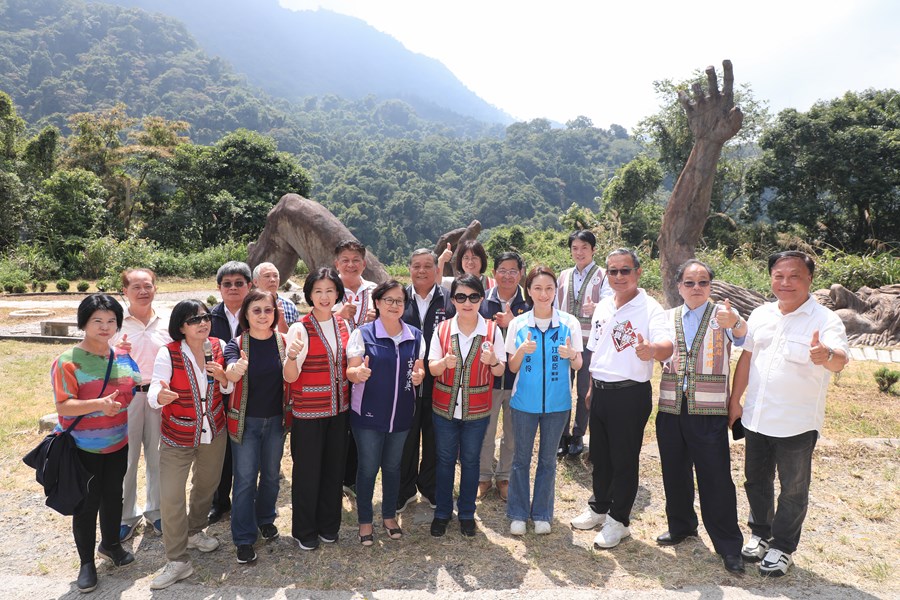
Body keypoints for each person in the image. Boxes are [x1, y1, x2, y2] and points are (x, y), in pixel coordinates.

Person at [730, 250, 849, 577]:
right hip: (755, 417)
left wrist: (825, 354)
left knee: (793, 489)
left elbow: (840, 360)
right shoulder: (760, 314)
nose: (786, 283)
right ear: (771, 278)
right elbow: (746, 360)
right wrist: (734, 401)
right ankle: (760, 534)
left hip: (797, 423)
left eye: (794, 276)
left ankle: (783, 547)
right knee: (756, 481)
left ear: (809, 279)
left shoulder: (825, 320)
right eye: (779, 276)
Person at [570, 248, 673, 549]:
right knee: (599, 456)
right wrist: (590, 386)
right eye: (612, 271)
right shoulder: (604, 305)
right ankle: (599, 506)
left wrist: (652, 350)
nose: (618, 276)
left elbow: (666, 345)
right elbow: (596, 350)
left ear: (638, 273)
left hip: (629, 394)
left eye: (624, 270)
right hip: (600, 390)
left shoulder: (650, 308)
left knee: (624, 460)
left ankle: (619, 521)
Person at [655, 259, 748, 574]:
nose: (696, 288)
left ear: (711, 286)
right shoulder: (667, 317)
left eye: (703, 282)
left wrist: (734, 321)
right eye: (690, 283)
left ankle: (728, 546)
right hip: (670, 406)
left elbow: (744, 337)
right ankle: (681, 526)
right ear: (678, 286)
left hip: (708, 410)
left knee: (716, 478)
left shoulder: (722, 317)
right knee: (674, 471)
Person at [50, 294, 140, 593]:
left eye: (111, 321)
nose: (105, 327)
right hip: (82, 448)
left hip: (118, 442)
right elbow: (63, 406)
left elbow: (131, 389)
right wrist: (99, 403)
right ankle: (86, 563)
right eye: (97, 321)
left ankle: (111, 544)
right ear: (84, 323)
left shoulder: (119, 356)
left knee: (114, 497)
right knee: (86, 505)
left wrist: (127, 395)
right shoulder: (67, 361)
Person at [147, 300, 233, 590]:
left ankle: (195, 532)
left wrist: (224, 378)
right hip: (177, 435)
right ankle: (177, 560)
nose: (202, 323)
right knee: (171, 495)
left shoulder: (219, 346)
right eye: (194, 319)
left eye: (206, 317)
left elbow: (228, 387)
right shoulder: (168, 352)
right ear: (181, 326)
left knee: (207, 486)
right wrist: (160, 396)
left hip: (214, 431)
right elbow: (156, 387)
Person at [505, 267, 583, 535]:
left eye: (549, 288)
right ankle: (517, 513)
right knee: (521, 459)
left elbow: (579, 362)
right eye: (537, 288)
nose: (543, 294)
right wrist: (521, 351)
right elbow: (511, 368)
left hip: (558, 404)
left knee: (548, 461)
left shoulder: (568, 323)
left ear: (555, 291)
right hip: (523, 404)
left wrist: (572, 354)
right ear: (529, 291)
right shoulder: (517, 324)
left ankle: (542, 514)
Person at [346, 280, 425, 545]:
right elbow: (351, 370)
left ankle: (389, 516)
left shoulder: (414, 335)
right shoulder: (363, 334)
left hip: (402, 414)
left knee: (393, 467)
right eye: (388, 300)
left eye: (399, 301)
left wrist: (418, 377)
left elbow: (420, 368)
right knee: (368, 468)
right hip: (368, 415)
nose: (394, 305)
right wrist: (358, 373)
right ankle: (365, 520)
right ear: (377, 303)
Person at [428, 274, 506, 537]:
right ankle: (441, 512)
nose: (467, 302)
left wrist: (494, 360)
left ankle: (466, 513)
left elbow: (499, 370)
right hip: (444, 408)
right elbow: (432, 366)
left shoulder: (492, 330)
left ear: (481, 299)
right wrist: (443, 365)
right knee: (445, 460)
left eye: (473, 297)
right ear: (453, 300)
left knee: (471, 461)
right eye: (461, 297)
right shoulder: (442, 329)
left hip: (477, 410)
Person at [284, 268, 351, 551]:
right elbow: (289, 376)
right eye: (318, 291)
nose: (324, 297)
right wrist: (289, 356)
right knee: (308, 473)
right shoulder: (300, 328)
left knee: (334, 471)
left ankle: (329, 525)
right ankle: (305, 530)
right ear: (310, 294)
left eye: (330, 291)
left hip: (339, 411)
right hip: (309, 413)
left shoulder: (345, 326)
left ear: (338, 293)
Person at [223, 290, 290, 564]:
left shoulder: (284, 342)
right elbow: (229, 371)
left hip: (276, 421)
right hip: (245, 423)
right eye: (256, 310)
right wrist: (234, 370)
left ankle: (265, 519)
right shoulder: (237, 344)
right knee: (245, 479)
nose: (263, 315)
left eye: (268, 310)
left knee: (272, 476)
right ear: (246, 315)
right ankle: (243, 537)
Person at [112, 268, 171, 542]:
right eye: (136, 287)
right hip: (127, 398)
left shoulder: (166, 322)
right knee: (127, 458)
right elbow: (100, 361)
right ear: (125, 291)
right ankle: (126, 516)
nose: (143, 291)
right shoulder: (115, 325)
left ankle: (157, 512)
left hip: (158, 397)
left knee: (159, 456)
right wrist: (116, 352)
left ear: (155, 288)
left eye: (148, 285)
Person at [398, 249, 454, 512]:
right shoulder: (398, 297)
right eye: (416, 265)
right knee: (405, 437)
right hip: (405, 380)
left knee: (435, 438)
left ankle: (430, 488)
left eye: (428, 266)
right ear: (409, 268)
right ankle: (404, 489)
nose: (422, 270)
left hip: (439, 378)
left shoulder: (449, 299)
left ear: (437, 269)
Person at [477, 251, 530, 501]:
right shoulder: (481, 301)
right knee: (485, 432)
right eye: (502, 270)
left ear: (521, 274)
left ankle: (505, 476)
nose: (507, 276)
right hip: (486, 380)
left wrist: (513, 323)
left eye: (513, 271)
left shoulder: (529, 304)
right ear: (493, 273)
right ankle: (483, 476)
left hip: (518, 381)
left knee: (512, 433)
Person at [555, 230, 612, 457]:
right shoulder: (564, 275)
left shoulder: (604, 275)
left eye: (584, 248)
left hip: (591, 342)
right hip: (565, 341)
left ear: (593, 250)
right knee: (561, 388)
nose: (579, 253)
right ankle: (562, 434)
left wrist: (597, 307)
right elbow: (556, 306)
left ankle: (579, 434)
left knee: (584, 390)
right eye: (575, 248)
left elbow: (611, 303)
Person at [332, 240, 376, 497]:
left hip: (366, 364)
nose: (350, 264)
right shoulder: (329, 288)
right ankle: (338, 476)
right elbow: (314, 319)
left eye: (356, 260)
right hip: (335, 363)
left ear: (364, 263)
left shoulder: (374, 290)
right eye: (345, 260)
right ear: (337, 263)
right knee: (339, 421)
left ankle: (356, 477)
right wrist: (338, 313)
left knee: (362, 418)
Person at [208, 261, 252, 525]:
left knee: (247, 451)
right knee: (220, 452)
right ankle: (219, 502)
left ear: (249, 286)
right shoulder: (208, 318)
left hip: (251, 395)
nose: (233, 288)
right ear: (219, 288)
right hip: (218, 394)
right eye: (228, 284)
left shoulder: (259, 314)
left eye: (239, 283)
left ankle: (245, 501)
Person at [252, 262, 299, 333]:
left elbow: (293, 336)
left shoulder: (290, 306)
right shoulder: (248, 306)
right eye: (267, 276)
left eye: (275, 276)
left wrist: (281, 320)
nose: (272, 280)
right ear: (255, 282)